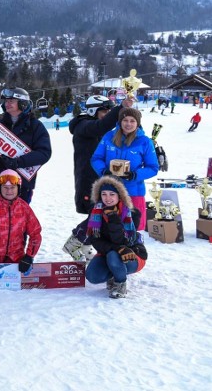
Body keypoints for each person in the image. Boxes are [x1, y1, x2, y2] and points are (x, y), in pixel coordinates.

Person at [62, 95, 133, 260]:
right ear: (94, 110)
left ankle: (86, 243)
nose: (107, 113)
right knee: (97, 212)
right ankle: (74, 241)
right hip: (89, 178)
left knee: (100, 213)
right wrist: (119, 108)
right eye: (105, 110)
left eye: (109, 110)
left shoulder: (100, 129)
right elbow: (100, 126)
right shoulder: (83, 125)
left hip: (103, 179)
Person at [0, 87, 51, 204]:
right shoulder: (0, 124)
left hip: (21, 183)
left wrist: (18, 162)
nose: (7, 104)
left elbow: (44, 153)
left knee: (17, 219)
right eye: (6, 101)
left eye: (11, 101)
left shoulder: (35, 126)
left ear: (22, 103)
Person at [91, 107, 159, 232]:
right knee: (107, 228)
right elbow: (96, 158)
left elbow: (153, 167)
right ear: (120, 121)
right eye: (125, 120)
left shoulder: (144, 142)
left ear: (137, 123)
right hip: (110, 191)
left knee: (132, 229)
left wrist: (135, 175)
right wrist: (103, 171)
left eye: (132, 121)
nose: (128, 124)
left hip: (133, 192)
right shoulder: (109, 136)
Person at [84, 176, 147, 299]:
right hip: (107, 252)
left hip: (132, 253)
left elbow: (123, 241)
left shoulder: (132, 213)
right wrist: (116, 248)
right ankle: (114, 273)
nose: (107, 198)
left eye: (112, 194)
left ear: (120, 195)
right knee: (92, 276)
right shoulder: (96, 212)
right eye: (104, 194)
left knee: (114, 256)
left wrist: (113, 218)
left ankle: (120, 285)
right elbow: (95, 241)